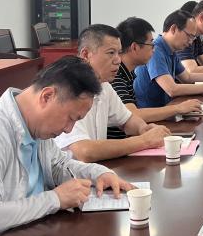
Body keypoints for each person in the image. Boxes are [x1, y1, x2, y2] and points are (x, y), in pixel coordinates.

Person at [0, 56, 134, 236]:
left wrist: (98, 173)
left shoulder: (35, 125)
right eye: (71, 118)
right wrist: (55, 199)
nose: (69, 129)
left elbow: (58, 165)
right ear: (47, 96)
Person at [54, 24, 170, 161]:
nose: (118, 60)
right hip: (71, 173)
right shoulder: (68, 88)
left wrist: (144, 129)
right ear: (86, 55)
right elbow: (85, 151)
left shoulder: (104, 85)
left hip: (97, 169)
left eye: (119, 53)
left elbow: (127, 120)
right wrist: (145, 140)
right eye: (110, 53)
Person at [109, 18, 203, 137]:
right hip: (122, 142)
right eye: (151, 44)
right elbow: (132, 114)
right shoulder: (115, 76)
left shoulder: (128, 73)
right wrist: (178, 108)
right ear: (135, 47)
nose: (154, 49)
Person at [133, 10, 203, 108]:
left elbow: (187, 77)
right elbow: (172, 89)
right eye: (189, 36)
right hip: (153, 113)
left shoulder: (171, 50)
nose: (190, 42)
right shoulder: (156, 50)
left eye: (193, 38)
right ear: (174, 29)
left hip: (167, 108)